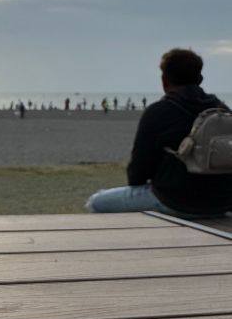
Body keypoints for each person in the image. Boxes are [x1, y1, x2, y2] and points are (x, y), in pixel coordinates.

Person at [87, 47, 232, 217]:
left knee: (96, 201)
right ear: (200, 78)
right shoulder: (222, 110)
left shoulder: (159, 112)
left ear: (164, 80)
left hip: (175, 200)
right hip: (222, 202)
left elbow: (138, 172)